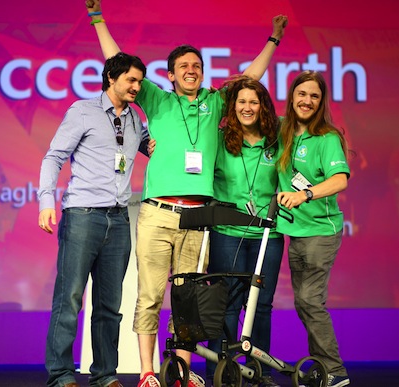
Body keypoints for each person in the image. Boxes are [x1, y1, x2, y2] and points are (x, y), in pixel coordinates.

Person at [85, 2, 287, 386]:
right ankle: (148, 372)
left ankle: (180, 370)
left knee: (188, 300)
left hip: (199, 220)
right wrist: (98, 20)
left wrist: (273, 39)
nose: (191, 71)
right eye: (184, 67)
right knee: (149, 296)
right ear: (170, 75)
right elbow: (117, 62)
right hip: (158, 213)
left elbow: (250, 80)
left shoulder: (215, 102)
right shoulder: (157, 100)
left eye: (197, 66)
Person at [37, 52, 149, 387]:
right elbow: (54, 156)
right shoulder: (82, 110)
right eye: (131, 80)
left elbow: (157, 148)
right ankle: (60, 374)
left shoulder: (135, 122)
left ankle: (104, 375)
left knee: (109, 303)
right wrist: (46, 201)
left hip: (118, 220)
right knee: (69, 297)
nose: (137, 87)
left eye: (140, 82)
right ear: (111, 77)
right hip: (83, 215)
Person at [207, 75, 284, 387]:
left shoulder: (277, 142)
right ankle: (222, 370)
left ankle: (260, 371)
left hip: (269, 235)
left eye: (254, 101)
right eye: (241, 101)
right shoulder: (220, 138)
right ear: (232, 106)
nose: (247, 107)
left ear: (263, 106)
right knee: (228, 303)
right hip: (228, 232)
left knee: (262, 304)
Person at [276, 70, 351, 387]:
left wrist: (305, 193)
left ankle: (335, 371)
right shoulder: (283, 132)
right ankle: (323, 367)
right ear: (291, 96)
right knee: (304, 303)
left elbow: (340, 180)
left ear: (321, 102)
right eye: (302, 94)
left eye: (314, 96)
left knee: (310, 301)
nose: (307, 101)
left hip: (321, 231)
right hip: (296, 233)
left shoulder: (327, 138)